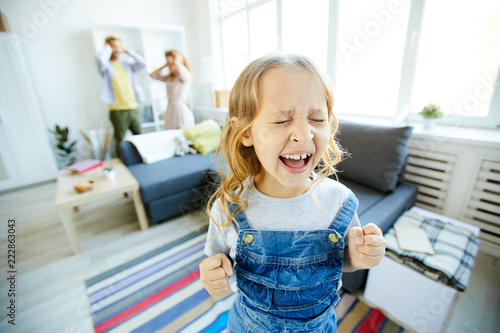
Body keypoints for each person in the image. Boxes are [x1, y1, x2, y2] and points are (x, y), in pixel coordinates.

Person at [199, 53, 387, 332]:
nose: (304, 134)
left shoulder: (339, 201)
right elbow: (216, 264)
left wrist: (359, 258)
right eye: (280, 121)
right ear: (245, 132)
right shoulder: (231, 205)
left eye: (316, 118)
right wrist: (213, 278)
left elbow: (342, 260)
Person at [96, 36, 145, 157]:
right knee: (120, 141)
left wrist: (127, 51)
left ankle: (142, 158)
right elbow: (101, 60)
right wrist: (108, 48)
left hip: (133, 107)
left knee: (140, 138)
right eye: (113, 46)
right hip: (117, 109)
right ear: (107, 47)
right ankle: (123, 164)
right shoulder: (106, 66)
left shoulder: (127, 65)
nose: (116, 49)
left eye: (119, 46)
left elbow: (143, 63)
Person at [149, 49, 194, 130]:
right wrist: (165, 65)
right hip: (170, 109)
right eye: (167, 62)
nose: (170, 65)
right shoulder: (169, 78)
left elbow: (185, 75)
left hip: (180, 109)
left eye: (171, 63)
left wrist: (177, 63)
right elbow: (152, 75)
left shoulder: (185, 77)